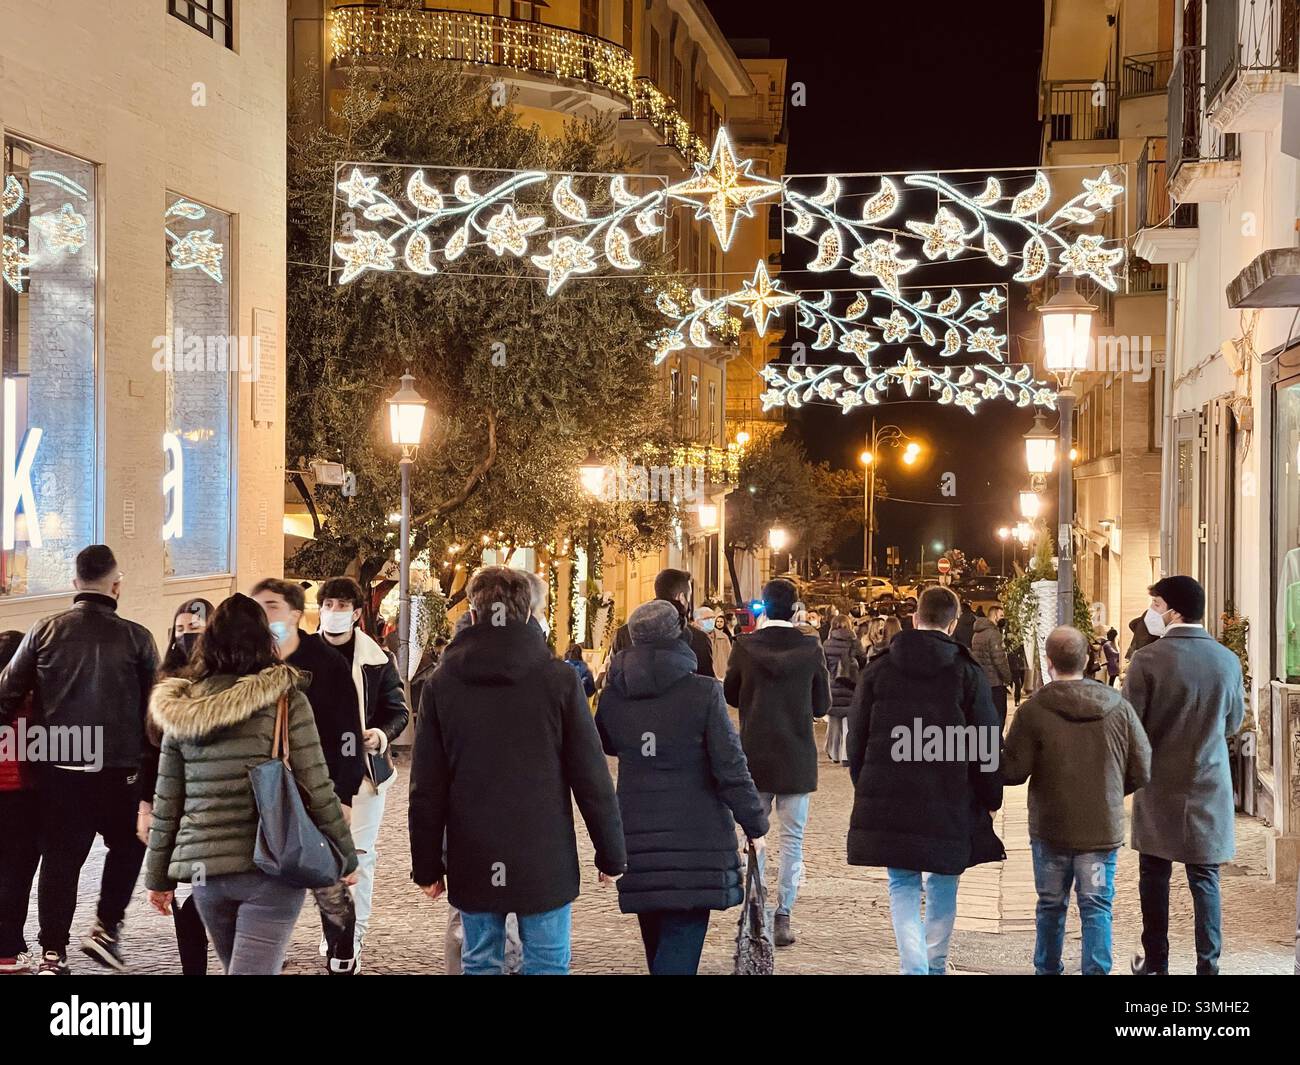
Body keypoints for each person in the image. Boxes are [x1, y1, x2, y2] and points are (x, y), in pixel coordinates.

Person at [409, 565, 627, 975]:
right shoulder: (558, 679)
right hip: (543, 853)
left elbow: (427, 785)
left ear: (473, 615)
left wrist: (426, 864)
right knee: (547, 963)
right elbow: (591, 776)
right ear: (529, 615)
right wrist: (611, 853)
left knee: (480, 961)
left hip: (473, 851)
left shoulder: (442, 684)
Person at [144, 594, 357, 976]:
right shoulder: (285, 701)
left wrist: (158, 877)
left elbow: (168, 801)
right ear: (265, 641)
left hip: (206, 874)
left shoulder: (180, 709)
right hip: (273, 867)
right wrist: (344, 856)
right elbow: (317, 786)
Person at [0, 545, 159, 975]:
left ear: (75, 584)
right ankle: (106, 926)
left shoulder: (44, 630)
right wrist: (152, 777)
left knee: (61, 858)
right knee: (127, 845)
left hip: (59, 766)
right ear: (117, 584)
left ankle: (54, 953)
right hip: (120, 769)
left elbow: (6, 693)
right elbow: (155, 714)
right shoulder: (138, 637)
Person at [595, 600, 768, 975]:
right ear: (680, 635)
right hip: (697, 843)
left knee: (659, 946)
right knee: (679, 949)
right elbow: (730, 767)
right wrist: (755, 824)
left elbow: (606, 743)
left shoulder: (614, 696)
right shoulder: (702, 693)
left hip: (637, 837)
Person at [846, 585, 1003, 975]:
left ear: (915, 618)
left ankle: (913, 966)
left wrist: (864, 782)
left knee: (902, 883)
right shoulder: (967, 672)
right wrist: (990, 795)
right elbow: (985, 740)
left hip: (891, 793)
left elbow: (857, 735)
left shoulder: (880, 668)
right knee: (944, 879)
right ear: (952, 625)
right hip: (950, 794)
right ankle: (933, 965)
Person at [1003, 626, 1151, 975]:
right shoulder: (1118, 708)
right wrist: (1113, 791)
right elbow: (1142, 767)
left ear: (1049, 662)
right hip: (1101, 827)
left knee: (1051, 906)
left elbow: (1012, 771)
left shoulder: (1034, 710)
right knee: (1097, 906)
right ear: (1087, 659)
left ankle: (1047, 969)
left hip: (1051, 826)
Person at [1124, 576, 1244, 976]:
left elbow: (1130, 726)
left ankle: (1156, 963)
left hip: (1158, 783)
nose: (1152, 613)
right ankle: (1208, 966)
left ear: (1173, 610)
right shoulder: (1227, 661)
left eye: (1156, 604)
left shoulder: (1147, 660)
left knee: (1154, 876)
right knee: (1205, 878)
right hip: (1209, 782)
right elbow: (1233, 723)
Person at [251, 577, 364, 975]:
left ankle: (341, 951)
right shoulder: (250, 659)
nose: (261, 614)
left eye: (270, 606)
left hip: (318, 785)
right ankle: (268, 949)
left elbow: (347, 729)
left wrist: (345, 794)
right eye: (256, 605)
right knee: (266, 870)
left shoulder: (326, 662)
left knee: (325, 874)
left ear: (295, 614)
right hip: (264, 787)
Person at [723, 578, 831, 947]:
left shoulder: (745, 646)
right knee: (793, 839)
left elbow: (730, 695)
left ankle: (757, 902)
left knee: (755, 835)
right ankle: (784, 913)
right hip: (797, 755)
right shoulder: (810, 647)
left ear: (764, 608)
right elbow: (822, 705)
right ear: (796, 607)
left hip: (755, 752)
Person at [315, 576, 411, 968]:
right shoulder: (300, 655)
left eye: (341, 606)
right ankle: (329, 930)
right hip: (314, 773)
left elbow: (398, 711)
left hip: (366, 775)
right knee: (317, 858)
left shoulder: (377, 660)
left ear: (356, 614)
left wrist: (380, 735)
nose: (333, 612)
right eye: (327, 604)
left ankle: (350, 938)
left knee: (358, 856)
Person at [144, 606, 213, 976]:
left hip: (209, 807)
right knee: (194, 891)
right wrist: (145, 804)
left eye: (196, 628)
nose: (187, 636)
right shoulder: (165, 681)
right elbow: (150, 744)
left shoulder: (224, 681)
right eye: (181, 629)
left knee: (204, 891)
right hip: (179, 803)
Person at [0, 631, 38, 974]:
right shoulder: (31, 703)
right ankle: (7, 950)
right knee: (17, 875)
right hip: (23, 799)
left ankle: (12, 942)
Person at [610, 568, 713, 679]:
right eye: (689, 597)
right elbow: (707, 685)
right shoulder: (698, 639)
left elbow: (613, 679)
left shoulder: (623, 634)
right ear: (682, 597)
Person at [823, 614, 865, 765]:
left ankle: (834, 753)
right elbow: (863, 661)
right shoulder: (855, 643)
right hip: (851, 685)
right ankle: (846, 754)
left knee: (834, 720)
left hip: (832, 685)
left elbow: (824, 666)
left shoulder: (827, 644)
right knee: (848, 721)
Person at [971, 604, 1013, 729]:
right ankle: (997, 744)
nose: (1003, 618)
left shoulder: (977, 634)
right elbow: (999, 660)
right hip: (995, 682)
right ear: (994, 616)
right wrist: (1007, 677)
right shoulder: (994, 634)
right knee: (999, 715)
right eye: (1001, 616)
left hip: (983, 681)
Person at [160, 599, 213, 675]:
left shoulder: (221, 670)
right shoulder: (167, 672)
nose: (185, 633)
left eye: (194, 628)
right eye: (180, 629)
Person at [693, 606, 731, 682]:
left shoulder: (723, 637)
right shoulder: (691, 638)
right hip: (701, 683)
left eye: (713, 618)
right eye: (707, 619)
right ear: (696, 621)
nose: (711, 621)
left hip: (721, 682)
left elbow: (731, 660)